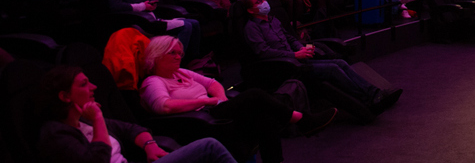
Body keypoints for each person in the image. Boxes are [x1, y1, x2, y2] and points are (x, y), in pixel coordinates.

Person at [140, 36, 335, 163]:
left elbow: (213, 84)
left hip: (215, 113)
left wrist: (221, 99)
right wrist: (207, 102)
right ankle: (303, 120)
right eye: (171, 53)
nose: (178, 57)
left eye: (179, 53)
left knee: (265, 118)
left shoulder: (181, 72)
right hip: (198, 120)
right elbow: (163, 106)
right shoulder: (153, 81)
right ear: (156, 55)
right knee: (254, 94)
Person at [241, 0, 400, 116]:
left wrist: (300, 48)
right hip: (284, 67)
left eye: (263, 0)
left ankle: (374, 93)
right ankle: (369, 99)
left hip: (297, 59)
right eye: (258, 2)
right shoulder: (251, 28)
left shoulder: (273, 20)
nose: (264, 3)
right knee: (332, 68)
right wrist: (295, 56)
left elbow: (289, 37)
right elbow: (263, 52)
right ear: (250, 9)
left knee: (340, 62)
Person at [37, 65, 236, 163]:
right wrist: (98, 119)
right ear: (65, 96)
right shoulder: (56, 133)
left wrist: (149, 145)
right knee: (209, 147)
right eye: (84, 84)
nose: (93, 87)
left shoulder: (83, 121)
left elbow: (132, 128)